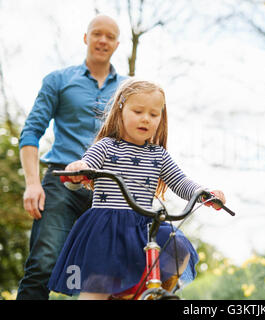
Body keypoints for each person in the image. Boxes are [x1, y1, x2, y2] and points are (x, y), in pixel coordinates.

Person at [46, 78, 226, 300]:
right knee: (96, 291)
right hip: (105, 229)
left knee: (178, 245)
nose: (146, 119)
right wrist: (79, 169)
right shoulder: (106, 146)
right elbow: (84, 168)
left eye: (154, 114)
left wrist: (205, 194)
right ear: (121, 111)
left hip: (141, 228)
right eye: (138, 111)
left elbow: (181, 183)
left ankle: (156, 290)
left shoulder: (158, 155)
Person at [17, 15, 126, 300]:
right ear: (86, 37)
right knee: (43, 264)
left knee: (109, 277)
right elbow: (31, 133)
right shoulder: (58, 80)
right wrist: (32, 184)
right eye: (97, 34)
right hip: (61, 184)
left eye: (110, 36)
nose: (103, 40)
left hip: (109, 187)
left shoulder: (128, 89)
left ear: (117, 43)